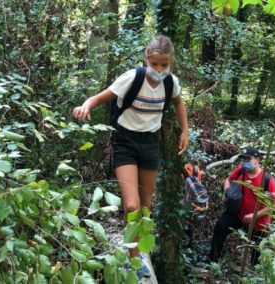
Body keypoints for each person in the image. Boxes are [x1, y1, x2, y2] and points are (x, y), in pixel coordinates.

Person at [72, 35, 189, 278]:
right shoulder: (132, 77)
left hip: (150, 144)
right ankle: (133, 259)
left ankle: (138, 249)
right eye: (154, 63)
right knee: (132, 205)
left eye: (164, 65)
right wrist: (86, 105)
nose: (158, 69)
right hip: (124, 141)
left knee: (145, 207)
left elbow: (178, 103)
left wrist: (185, 129)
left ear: (170, 63)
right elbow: (100, 97)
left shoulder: (171, 83)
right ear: (146, 59)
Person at [208, 147, 275, 266]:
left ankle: (252, 273)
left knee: (256, 252)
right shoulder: (241, 170)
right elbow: (228, 180)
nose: (245, 161)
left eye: (248, 159)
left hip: (258, 222)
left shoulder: (266, 179)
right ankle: (212, 259)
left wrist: (256, 215)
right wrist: (227, 192)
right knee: (221, 226)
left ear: (257, 159)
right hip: (239, 214)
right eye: (244, 159)